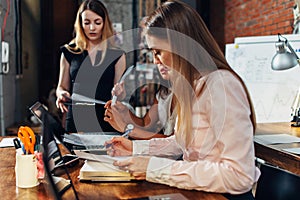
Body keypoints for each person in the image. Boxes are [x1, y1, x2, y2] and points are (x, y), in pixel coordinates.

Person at [104, 0, 260, 199]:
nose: (155, 61)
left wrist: (154, 168)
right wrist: (135, 147)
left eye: (158, 52)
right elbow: (181, 143)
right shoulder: (189, 87)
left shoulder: (221, 85)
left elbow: (239, 176)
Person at [56, 0, 126, 133]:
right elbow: (61, 87)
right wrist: (61, 94)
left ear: (104, 23)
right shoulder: (69, 52)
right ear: (80, 24)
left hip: (106, 120)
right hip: (76, 121)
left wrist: (120, 93)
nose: (92, 28)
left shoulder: (117, 55)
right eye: (87, 23)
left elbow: (119, 94)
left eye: (97, 22)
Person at [104, 66, 176, 139]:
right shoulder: (163, 93)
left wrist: (126, 129)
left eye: (160, 54)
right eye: (155, 56)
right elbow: (145, 124)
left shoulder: (186, 94)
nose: (156, 62)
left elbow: (174, 141)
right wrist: (125, 112)